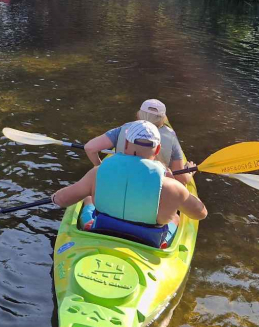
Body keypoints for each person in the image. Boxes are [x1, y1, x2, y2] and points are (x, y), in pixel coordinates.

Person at [52, 121, 208, 247]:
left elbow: (63, 200)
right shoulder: (171, 186)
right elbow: (200, 213)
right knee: (175, 217)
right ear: (158, 149)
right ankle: (164, 241)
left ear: (126, 144)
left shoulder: (98, 172)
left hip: (103, 230)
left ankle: (88, 223)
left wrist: (55, 197)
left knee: (87, 198)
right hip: (148, 242)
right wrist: (177, 186)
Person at [84, 98, 191, 180]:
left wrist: (100, 167)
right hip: (152, 186)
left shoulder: (123, 129)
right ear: (163, 119)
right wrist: (189, 172)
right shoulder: (170, 136)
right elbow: (181, 178)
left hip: (120, 179)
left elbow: (89, 148)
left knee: (89, 198)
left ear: (139, 114)